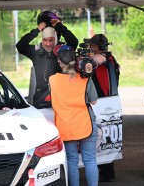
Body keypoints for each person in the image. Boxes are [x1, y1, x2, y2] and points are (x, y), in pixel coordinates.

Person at [49, 45, 98, 186]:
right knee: (90, 160)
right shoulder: (86, 79)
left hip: (66, 127)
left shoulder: (53, 80)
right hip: (86, 124)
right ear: (76, 60)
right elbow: (94, 101)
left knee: (71, 160)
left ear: (59, 62)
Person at [16, 8, 78, 109]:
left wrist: (60, 26)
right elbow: (20, 46)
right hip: (41, 99)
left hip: (61, 99)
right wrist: (36, 30)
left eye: (51, 40)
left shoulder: (64, 51)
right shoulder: (36, 51)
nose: (48, 44)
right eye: (45, 40)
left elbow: (74, 42)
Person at [83, 33, 120, 182]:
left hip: (104, 103)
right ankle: (103, 170)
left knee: (105, 140)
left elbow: (97, 59)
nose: (89, 48)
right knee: (103, 139)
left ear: (98, 47)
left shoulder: (105, 57)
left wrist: (85, 58)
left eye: (91, 46)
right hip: (104, 101)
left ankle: (107, 172)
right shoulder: (109, 59)